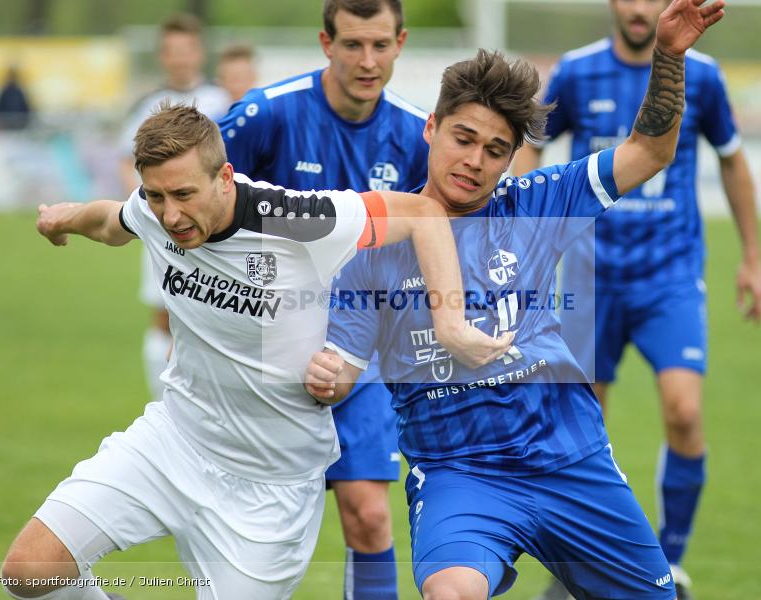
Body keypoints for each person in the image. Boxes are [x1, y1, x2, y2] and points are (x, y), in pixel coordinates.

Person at [2, 103, 510, 600]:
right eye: (157, 196)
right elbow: (113, 222)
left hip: (272, 489)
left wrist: (450, 322)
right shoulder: (154, 210)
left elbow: (423, 213)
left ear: (225, 176)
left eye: (183, 194)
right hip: (173, 443)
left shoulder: (299, 218)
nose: (171, 215)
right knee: (27, 572)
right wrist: (64, 220)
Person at [306, 1, 725, 598]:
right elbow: (343, 371)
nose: (474, 162)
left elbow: (650, 152)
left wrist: (669, 58)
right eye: (463, 138)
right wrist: (328, 375)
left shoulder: (536, 203)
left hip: (568, 460)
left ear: (512, 158)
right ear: (431, 128)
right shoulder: (374, 246)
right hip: (459, 474)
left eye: (496, 150)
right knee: (452, 592)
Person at [512, 1, 761, 597]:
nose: (638, 9)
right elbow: (533, 150)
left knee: (683, 411)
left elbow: (733, 162)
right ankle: (581, 565)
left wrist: (753, 258)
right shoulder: (576, 72)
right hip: (587, 277)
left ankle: (671, 559)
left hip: (668, 275)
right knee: (581, 428)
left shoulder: (700, 73)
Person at [218, 1, 426, 597]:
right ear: (325, 42)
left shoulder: (416, 134)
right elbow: (196, 200)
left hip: (360, 355)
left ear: (401, 42)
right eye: (353, 45)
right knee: (254, 531)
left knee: (368, 515)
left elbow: (432, 237)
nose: (368, 61)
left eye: (381, 45)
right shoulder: (265, 115)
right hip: (265, 354)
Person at [120, 13, 231, 402]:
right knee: (163, 313)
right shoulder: (147, 105)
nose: (180, 59)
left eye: (187, 51)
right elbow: (124, 160)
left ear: (198, 53)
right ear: (163, 56)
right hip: (165, 229)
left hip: (214, 230)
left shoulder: (223, 100)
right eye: (173, 52)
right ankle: (162, 402)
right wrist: (148, 209)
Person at [0, 64, 33, 130]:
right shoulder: (5, 91)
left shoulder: (19, 91)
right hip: (5, 125)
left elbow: (26, 108)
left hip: (18, 124)